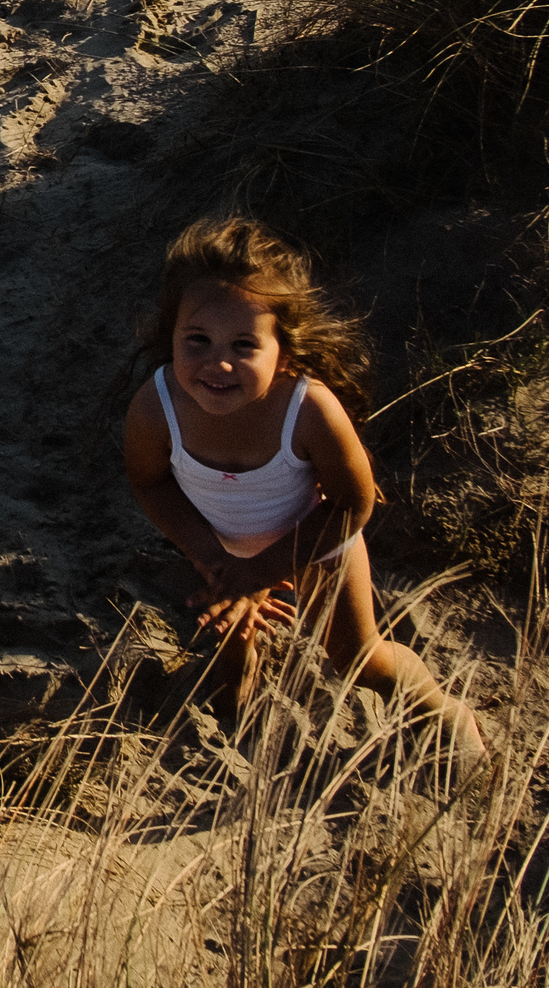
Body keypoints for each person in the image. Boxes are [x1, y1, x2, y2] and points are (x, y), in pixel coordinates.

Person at [121, 218, 487, 758]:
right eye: (196, 339)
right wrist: (213, 560)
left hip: (317, 545)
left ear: (284, 352)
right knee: (231, 640)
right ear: (169, 334)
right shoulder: (156, 406)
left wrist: (262, 572)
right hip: (223, 546)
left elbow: (353, 505)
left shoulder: (308, 410)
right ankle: (236, 709)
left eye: (244, 345)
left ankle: (444, 712)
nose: (218, 362)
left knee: (359, 657)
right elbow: (150, 483)